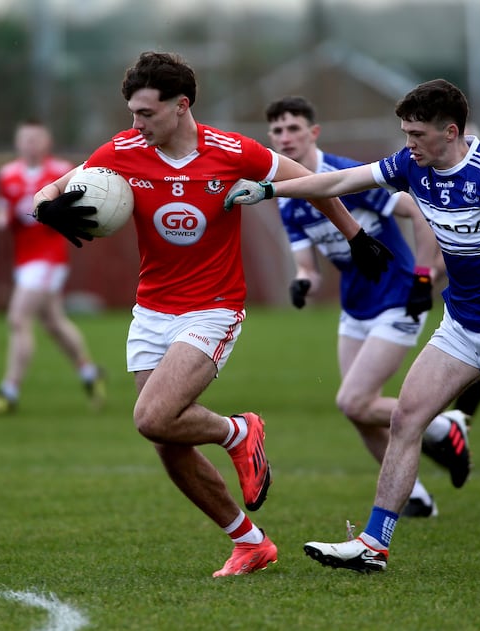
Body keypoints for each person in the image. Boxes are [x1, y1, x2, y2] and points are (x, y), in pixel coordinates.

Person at [225, 78, 480, 572]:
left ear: (451, 131)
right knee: (405, 419)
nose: (408, 143)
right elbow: (337, 182)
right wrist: (270, 189)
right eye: (405, 133)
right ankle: (374, 544)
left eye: (416, 134)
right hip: (460, 326)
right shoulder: (410, 166)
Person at [30, 52, 394, 577]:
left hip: (212, 308)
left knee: (152, 417)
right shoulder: (124, 150)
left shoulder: (233, 151)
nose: (136, 124)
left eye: (146, 113)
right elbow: (51, 188)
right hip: (152, 308)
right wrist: (48, 208)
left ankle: (239, 433)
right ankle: (249, 542)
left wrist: (355, 237)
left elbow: (315, 182)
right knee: (165, 437)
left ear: (181, 106)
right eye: (131, 112)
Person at [265, 96, 478, 517]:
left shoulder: (342, 175)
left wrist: (424, 274)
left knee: (354, 400)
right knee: (359, 411)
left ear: (313, 133)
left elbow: (418, 210)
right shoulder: (289, 198)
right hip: (356, 305)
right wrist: (301, 283)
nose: (284, 137)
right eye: (276, 131)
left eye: (293, 128)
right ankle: (414, 494)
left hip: (399, 295)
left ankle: (442, 426)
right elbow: (310, 266)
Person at [0, 120, 106, 414]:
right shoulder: (8, 174)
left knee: (18, 319)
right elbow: (3, 210)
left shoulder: (60, 171)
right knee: (54, 322)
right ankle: (89, 373)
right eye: (25, 139)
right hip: (24, 258)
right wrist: (3, 217)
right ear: (17, 143)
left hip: (49, 257)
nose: (30, 144)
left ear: (47, 142)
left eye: (36, 139)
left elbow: (77, 209)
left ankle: (8, 392)